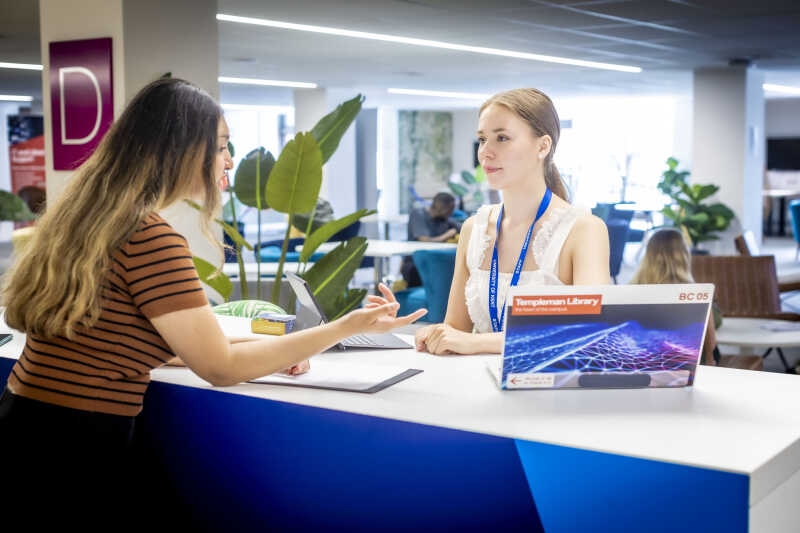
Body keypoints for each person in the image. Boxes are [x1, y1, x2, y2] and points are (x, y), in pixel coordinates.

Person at [0, 78, 426, 524]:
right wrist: (345, 327)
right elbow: (218, 367)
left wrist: (275, 353)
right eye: (221, 146)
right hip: (76, 443)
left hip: (28, 421)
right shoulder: (149, 237)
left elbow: (144, 346)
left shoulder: (92, 217)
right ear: (181, 149)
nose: (229, 160)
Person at [368, 88, 610, 355]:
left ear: (543, 146)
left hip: (549, 389)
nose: (486, 152)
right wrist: (433, 334)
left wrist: (475, 342)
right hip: (475, 386)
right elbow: (455, 329)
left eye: (502, 138)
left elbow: (591, 331)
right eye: (483, 139)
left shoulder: (583, 229)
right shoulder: (475, 229)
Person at [630, 228, 718, 365]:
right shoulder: (696, 295)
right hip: (688, 374)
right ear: (683, 256)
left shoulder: (629, 293)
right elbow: (711, 346)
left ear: (648, 256)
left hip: (642, 368)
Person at [401, 191, 461, 287]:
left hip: (435, 263)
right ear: (442, 208)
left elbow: (462, 228)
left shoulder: (444, 219)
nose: (452, 212)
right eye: (450, 209)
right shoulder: (418, 214)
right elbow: (423, 240)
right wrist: (446, 235)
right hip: (416, 265)